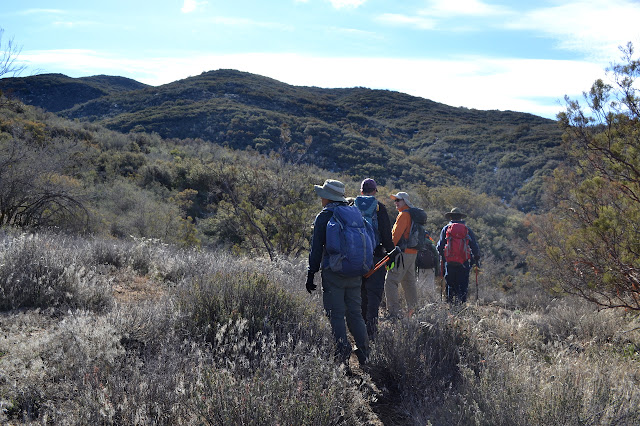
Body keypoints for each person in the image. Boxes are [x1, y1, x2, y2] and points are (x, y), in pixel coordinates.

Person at [306, 179, 369, 366]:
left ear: (327, 197)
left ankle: (342, 357)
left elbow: (316, 248)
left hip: (333, 272)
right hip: (355, 272)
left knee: (336, 314)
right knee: (355, 314)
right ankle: (365, 354)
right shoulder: (355, 212)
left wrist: (311, 273)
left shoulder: (324, 216)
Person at [354, 178, 395, 340]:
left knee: (361, 294)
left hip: (356, 257)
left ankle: (360, 332)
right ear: (374, 191)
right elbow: (386, 235)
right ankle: (371, 332)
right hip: (376, 258)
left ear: (361, 191)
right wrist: (391, 254)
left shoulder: (352, 206)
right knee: (374, 295)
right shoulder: (379, 208)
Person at [384, 191, 419, 318]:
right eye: (395, 200)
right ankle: (414, 311)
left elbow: (395, 236)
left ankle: (393, 313)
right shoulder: (413, 214)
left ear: (405, 201)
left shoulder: (404, 215)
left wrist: (388, 251)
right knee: (409, 282)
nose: (396, 202)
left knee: (391, 281)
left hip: (402, 254)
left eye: (398, 200)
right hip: (412, 253)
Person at [436, 207, 480, 304]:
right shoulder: (467, 230)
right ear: (460, 217)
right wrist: (475, 259)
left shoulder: (446, 229)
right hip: (464, 262)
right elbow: (474, 247)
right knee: (463, 284)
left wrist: (444, 257)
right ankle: (462, 306)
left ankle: (450, 306)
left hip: (449, 262)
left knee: (450, 284)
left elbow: (439, 247)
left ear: (451, 217)